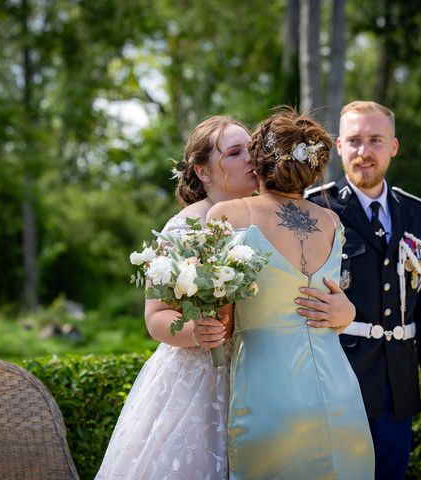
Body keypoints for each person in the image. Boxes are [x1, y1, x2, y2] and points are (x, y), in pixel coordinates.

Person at [96, 115, 356, 479]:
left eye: (251, 149)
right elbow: (155, 316)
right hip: (203, 380)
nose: (250, 158)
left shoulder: (272, 217)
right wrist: (192, 333)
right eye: (234, 153)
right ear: (203, 172)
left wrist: (343, 309)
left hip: (267, 375)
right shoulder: (186, 225)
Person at [207, 108, 375, 479]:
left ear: (259, 158)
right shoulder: (331, 221)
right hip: (342, 394)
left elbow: (222, 314)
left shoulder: (228, 215)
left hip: (268, 391)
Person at [306, 100, 421, 480]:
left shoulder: (418, 214)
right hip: (337, 380)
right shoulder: (317, 209)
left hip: (398, 384)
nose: (364, 152)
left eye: (375, 140)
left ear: (393, 146)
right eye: (354, 141)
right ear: (339, 147)